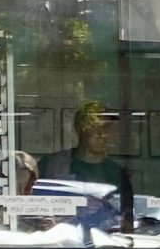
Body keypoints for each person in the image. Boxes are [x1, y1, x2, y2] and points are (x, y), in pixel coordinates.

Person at [35, 99, 136, 231]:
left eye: (107, 128)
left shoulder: (117, 174)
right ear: (81, 131)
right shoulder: (53, 165)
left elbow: (127, 221)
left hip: (106, 244)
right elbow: (33, 210)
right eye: (96, 129)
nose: (103, 135)